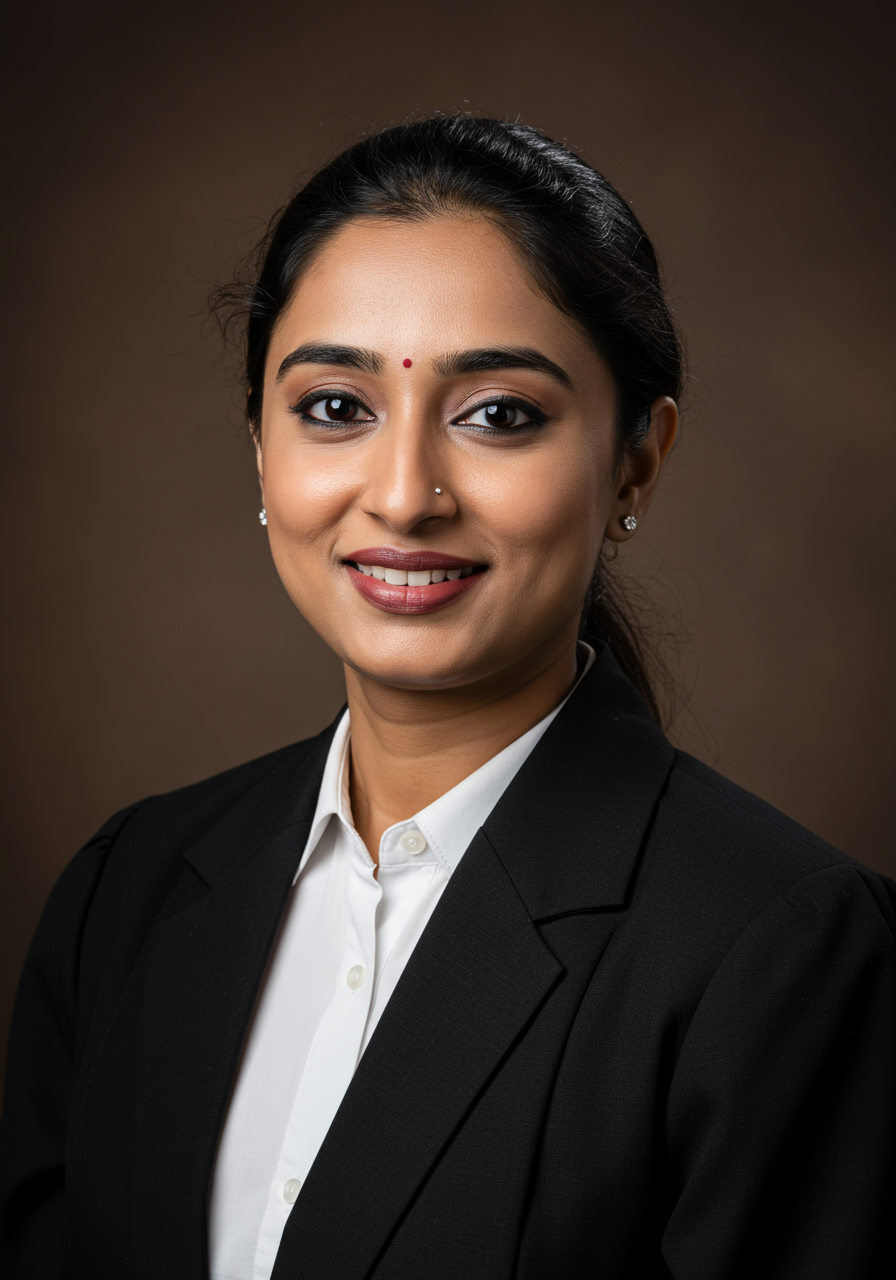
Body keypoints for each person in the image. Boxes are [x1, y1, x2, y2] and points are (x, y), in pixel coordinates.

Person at [1, 114, 893, 1280]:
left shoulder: (785, 953)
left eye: (499, 415)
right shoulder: (126, 889)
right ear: (258, 447)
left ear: (636, 460)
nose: (406, 494)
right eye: (334, 406)